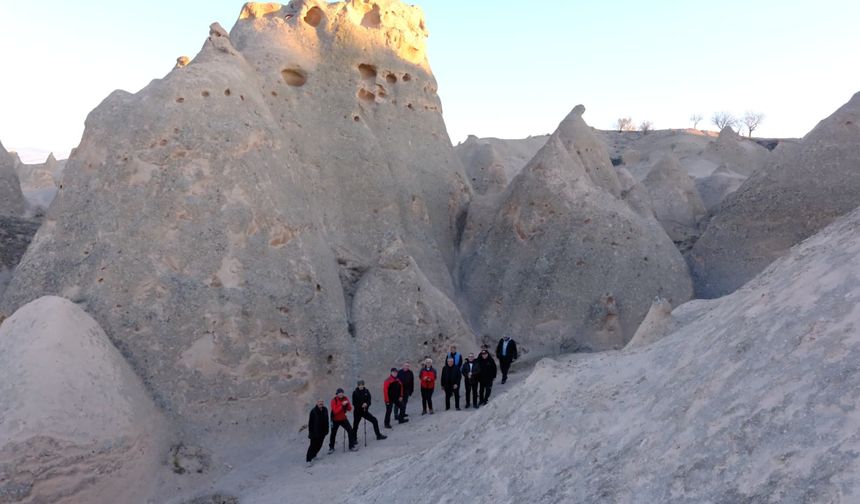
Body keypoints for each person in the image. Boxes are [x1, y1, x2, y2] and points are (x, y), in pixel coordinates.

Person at [328, 388, 357, 453]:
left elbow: (349, 409)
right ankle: (331, 447)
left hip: (343, 418)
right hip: (335, 419)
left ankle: (351, 446)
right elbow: (335, 411)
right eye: (339, 393)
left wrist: (347, 405)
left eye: (342, 393)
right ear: (337, 394)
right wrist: (342, 405)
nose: (341, 394)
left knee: (350, 431)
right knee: (333, 433)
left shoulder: (345, 398)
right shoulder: (334, 400)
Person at [306, 399, 329, 466]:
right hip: (315, 432)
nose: (321, 403)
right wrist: (310, 433)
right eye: (319, 402)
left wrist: (327, 429)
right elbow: (310, 423)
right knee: (312, 446)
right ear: (317, 403)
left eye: (322, 402)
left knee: (319, 445)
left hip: (323, 432)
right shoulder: (313, 411)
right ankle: (308, 460)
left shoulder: (325, 410)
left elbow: (327, 420)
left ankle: (314, 455)